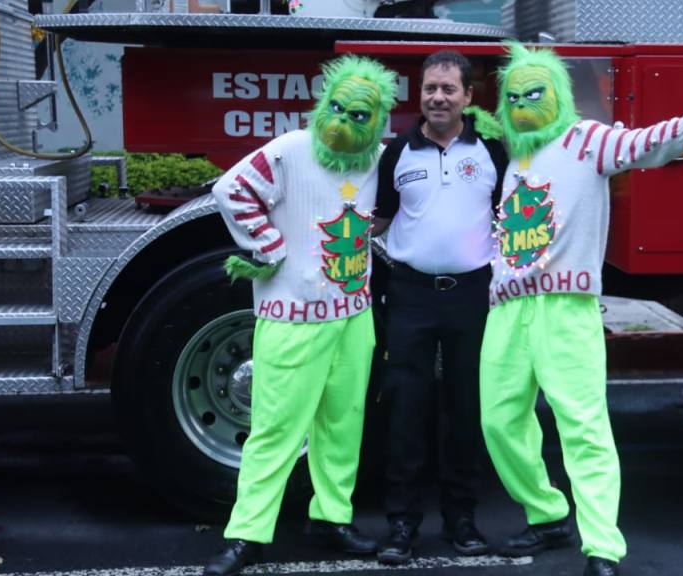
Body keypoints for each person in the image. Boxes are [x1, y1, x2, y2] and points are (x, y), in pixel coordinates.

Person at [481, 43, 683, 576]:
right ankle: (546, 511)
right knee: (498, 421)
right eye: (512, 96)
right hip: (508, 309)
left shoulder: (585, 139)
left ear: (555, 94)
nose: (521, 103)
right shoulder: (517, 152)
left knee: (583, 426)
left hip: (566, 306)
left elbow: (639, 146)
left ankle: (602, 546)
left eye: (533, 93)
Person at [201, 55, 398, 576]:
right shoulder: (290, 149)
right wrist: (269, 248)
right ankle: (247, 534)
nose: (344, 120)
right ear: (323, 101)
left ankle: (331, 518)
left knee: (342, 423)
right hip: (292, 316)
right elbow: (232, 189)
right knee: (275, 429)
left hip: (353, 315)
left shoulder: (378, 157)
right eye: (337, 107)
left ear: (377, 119)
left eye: (360, 115)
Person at [371, 50, 508, 565]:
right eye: (430, 89)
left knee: (465, 407)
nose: (438, 98)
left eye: (449, 89)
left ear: (469, 97)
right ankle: (402, 523)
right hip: (409, 295)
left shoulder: (493, 152)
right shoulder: (396, 154)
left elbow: (515, 215)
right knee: (405, 408)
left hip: (473, 294)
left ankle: (462, 518)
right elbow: (377, 221)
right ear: (420, 95)